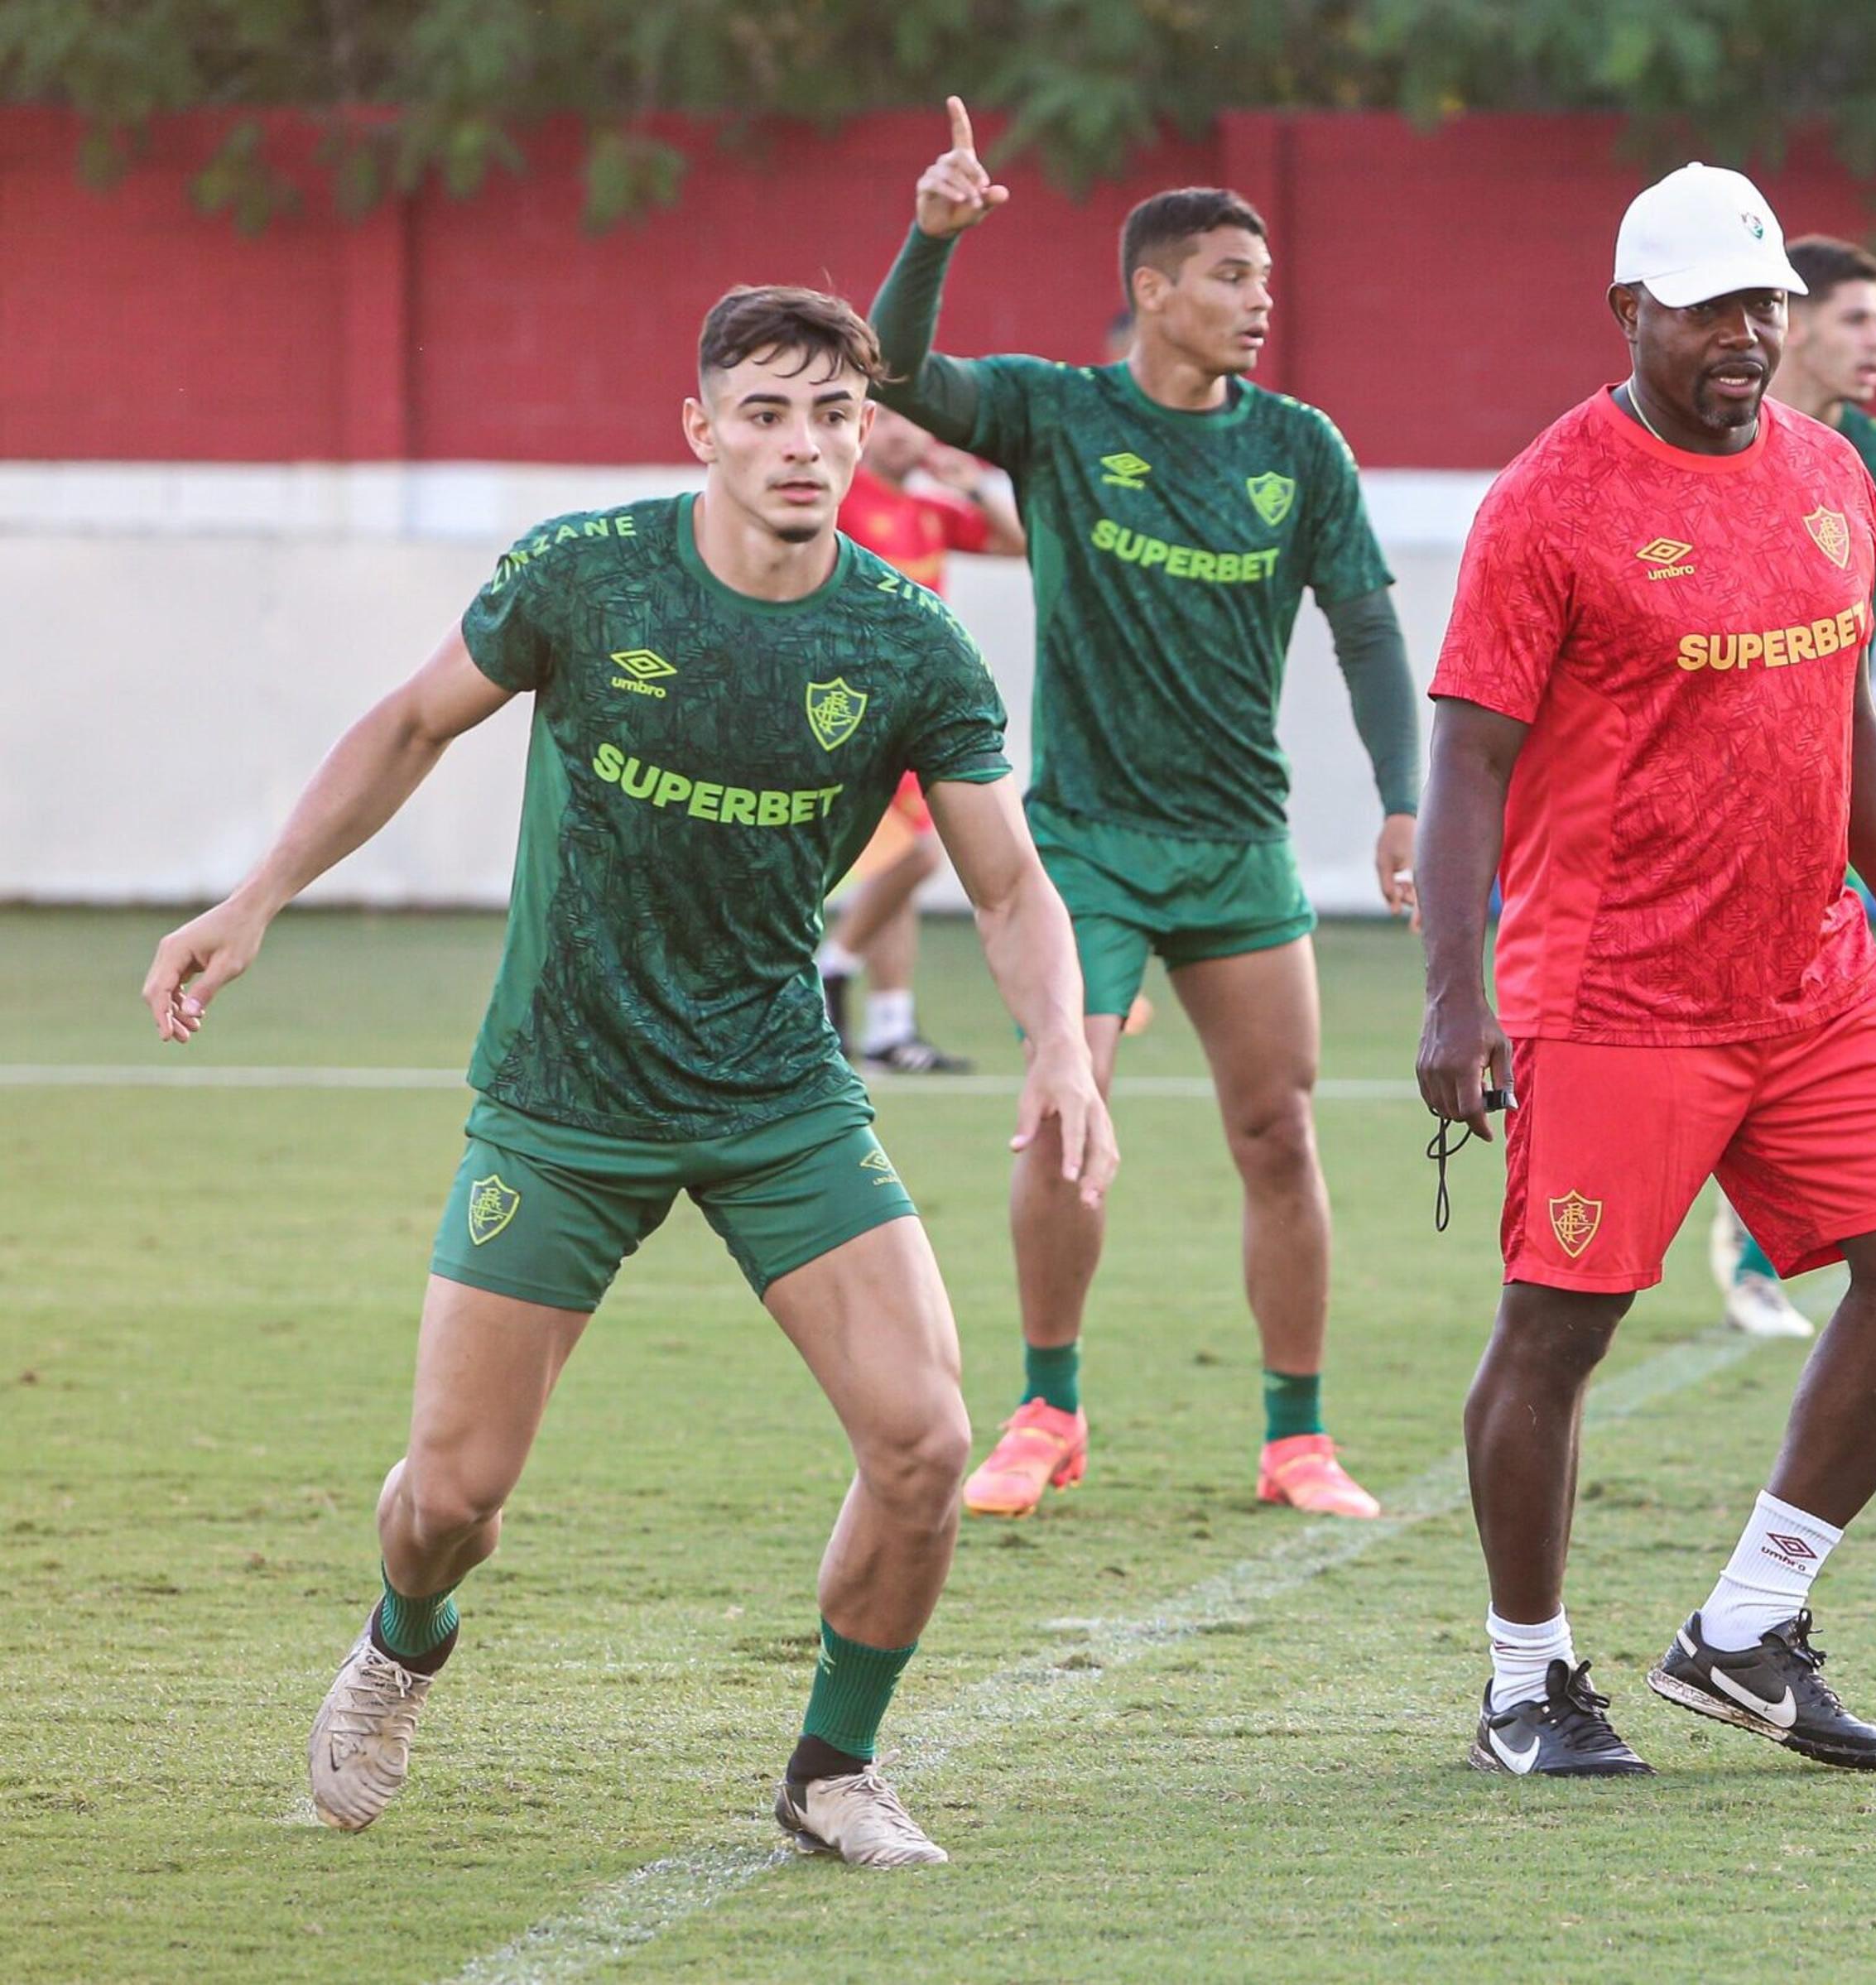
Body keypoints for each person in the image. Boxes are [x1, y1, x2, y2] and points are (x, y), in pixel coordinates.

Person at [140, 286, 1118, 1865]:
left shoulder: (908, 638)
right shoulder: (584, 575)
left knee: (927, 1439)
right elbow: (408, 726)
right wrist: (254, 899)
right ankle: (403, 1636)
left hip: (774, 1089)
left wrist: (1063, 1039)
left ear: (867, 431)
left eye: (834, 415)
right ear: (702, 429)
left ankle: (832, 1767)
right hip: (564, 1089)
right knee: (452, 1495)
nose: (803, 445)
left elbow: (1006, 883)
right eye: (767, 413)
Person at [1417, 164, 1876, 1776]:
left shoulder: (1834, 475)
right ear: (1629, 314)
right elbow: (1466, 763)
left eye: (1765, 307)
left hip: (1815, 971)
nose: (1747, 337)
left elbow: (1849, 711)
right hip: (1616, 989)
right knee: (1559, 1333)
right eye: (1711, 310)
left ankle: (1745, 1627)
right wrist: (1456, 997)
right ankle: (1526, 1681)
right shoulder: (1548, 502)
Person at [868, 101, 1422, 1520]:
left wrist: (1406, 803)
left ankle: (1297, 1435)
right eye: (1233, 278)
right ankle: (1048, 1407)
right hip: (1090, 845)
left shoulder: (1301, 448)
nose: (1259, 305)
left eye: (1268, 282)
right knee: (1065, 1112)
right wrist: (931, 238)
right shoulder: (1060, 414)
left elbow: (1366, 630)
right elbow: (904, 373)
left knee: (1278, 1132)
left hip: (1239, 847)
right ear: (1154, 292)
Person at [1703, 233, 1876, 1341]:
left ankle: (1763, 1255)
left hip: (1832, 782)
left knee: (1824, 1004)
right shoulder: (1708, 439)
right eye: (1857, 318)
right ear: (1793, 322)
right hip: (1713, 790)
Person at [820, 405, 1027, 1072]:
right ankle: (829, 968)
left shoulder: (933, 511)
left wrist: (972, 485)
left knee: (896, 873)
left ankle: (888, 1029)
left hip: (916, 705)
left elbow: (1019, 541)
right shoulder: (844, 502)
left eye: (921, 425)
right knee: (914, 859)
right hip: (853, 709)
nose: (908, 436)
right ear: (863, 429)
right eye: (892, 423)